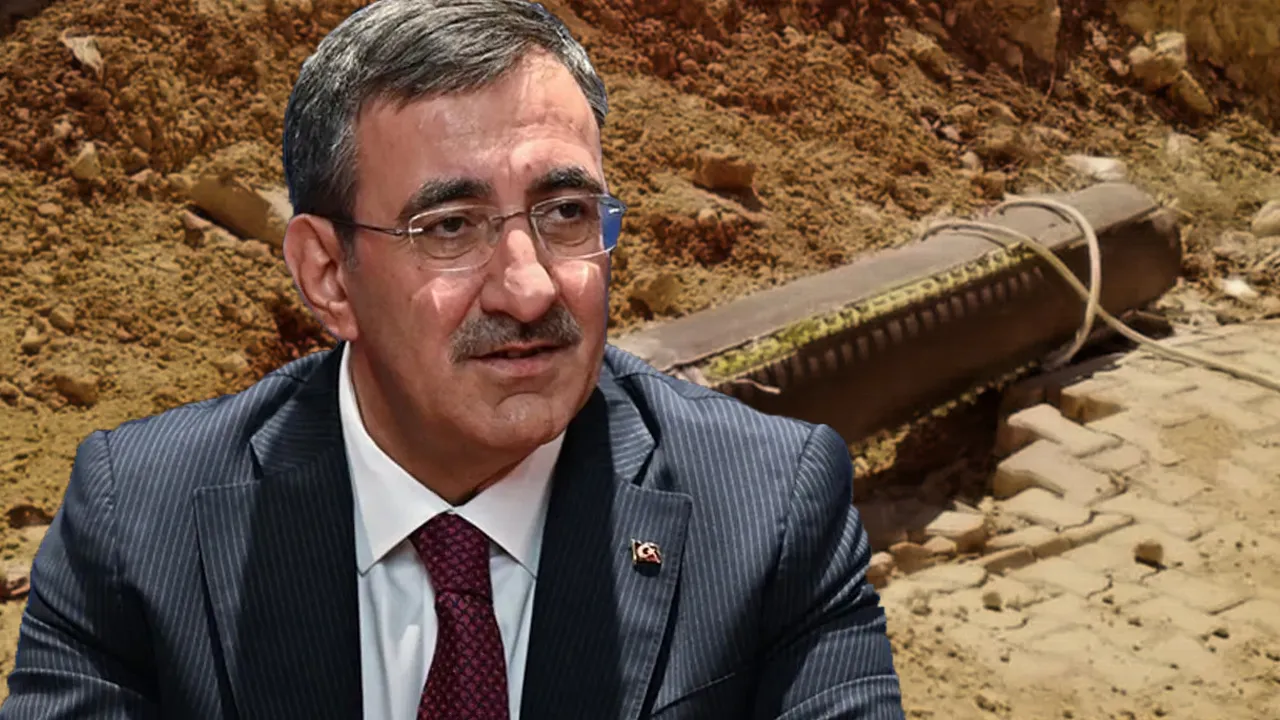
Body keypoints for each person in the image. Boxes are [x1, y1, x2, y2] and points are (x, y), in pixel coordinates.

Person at [1, 1, 904, 718]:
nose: (530, 290)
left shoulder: (768, 512)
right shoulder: (139, 526)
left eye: (565, 214)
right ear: (328, 276)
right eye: (449, 228)